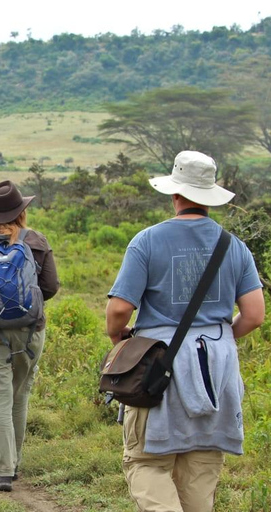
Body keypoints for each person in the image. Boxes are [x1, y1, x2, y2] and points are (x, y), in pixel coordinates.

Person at [105, 150, 266, 512]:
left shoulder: (146, 240)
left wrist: (121, 342)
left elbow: (119, 309)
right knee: (200, 468)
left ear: (174, 194)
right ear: (209, 196)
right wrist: (218, 339)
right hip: (217, 370)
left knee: (146, 461)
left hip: (160, 364)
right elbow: (254, 315)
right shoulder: (234, 246)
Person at [0, 180, 60, 492]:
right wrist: (26, 308)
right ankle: (13, 465)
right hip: (31, 332)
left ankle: (3, 472)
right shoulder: (38, 241)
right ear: (21, 211)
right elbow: (51, 287)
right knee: (20, 395)